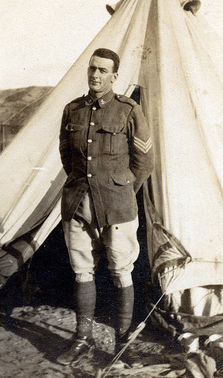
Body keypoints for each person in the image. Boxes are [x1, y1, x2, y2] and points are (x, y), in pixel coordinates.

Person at [57, 48, 154, 365]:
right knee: (82, 272)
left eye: (102, 70)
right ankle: (82, 339)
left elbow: (144, 163)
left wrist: (121, 191)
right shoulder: (72, 111)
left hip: (117, 209)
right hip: (77, 207)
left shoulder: (128, 111)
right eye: (91, 69)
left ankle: (123, 342)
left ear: (114, 76)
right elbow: (66, 157)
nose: (95, 75)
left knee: (120, 272)